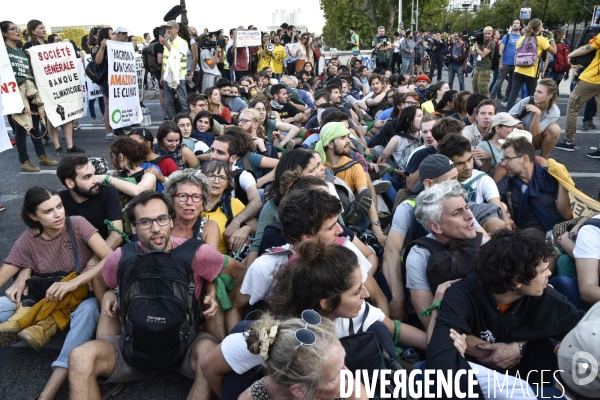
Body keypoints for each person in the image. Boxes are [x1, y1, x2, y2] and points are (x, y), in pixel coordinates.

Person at [68, 191, 224, 400]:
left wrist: (212, 291)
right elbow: (100, 281)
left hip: (186, 346)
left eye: (161, 219)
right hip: (133, 348)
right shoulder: (122, 257)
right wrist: (106, 296)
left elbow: (234, 273)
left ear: (171, 220)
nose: (156, 228)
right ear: (133, 227)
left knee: (212, 356)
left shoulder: (198, 252)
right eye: (145, 222)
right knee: (79, 357)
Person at [426, 229, 585, 395]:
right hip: (479, 387)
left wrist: (520, 346)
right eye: (543, 270)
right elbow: (440, 357)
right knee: (422, 373)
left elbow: (587, 334)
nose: (550, 274)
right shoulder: (462, 296)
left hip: (535, 386)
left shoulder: (546, 297)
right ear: (517, 280)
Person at [0, 187, 112, 400]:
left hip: (79, 298)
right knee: (3, 305)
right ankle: (30, 324)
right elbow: (4, 274)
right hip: (43, 299)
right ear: (34, 216)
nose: (58, 214)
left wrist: (75, 282)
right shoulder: (28, 239)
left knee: (89, 311)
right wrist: (23, 272)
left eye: (59, 207)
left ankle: (48, 392)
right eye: (48, 211)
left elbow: (110, 257)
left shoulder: (77, 224)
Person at [238, 312, 369, 400]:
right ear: (300, 390)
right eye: (335, 377)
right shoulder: (252, 397)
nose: (349, 375)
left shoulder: (350, 391)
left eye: (342, 365)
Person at [2, 21, 58, 172]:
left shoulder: (21, 51)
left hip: (29, 90)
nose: (17, 30)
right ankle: (25, 161)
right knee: (21, 127)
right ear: (4, 33)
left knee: (35, 125)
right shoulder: (3, 52)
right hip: (16, 92)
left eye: (17, 28)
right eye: (13, 29)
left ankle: (42, 156)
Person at [496, 135, 573, 233]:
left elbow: (567, 214)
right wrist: (505, 213)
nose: (503, 164)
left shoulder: (552, 177)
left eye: (507, 158)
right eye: (503, 159)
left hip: (561, 229)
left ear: (524, 159)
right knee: (531, 234)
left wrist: (563, 182)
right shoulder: (507, 183)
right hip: (529, 233)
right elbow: (491, 200)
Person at [437, 134, 512, 233]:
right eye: (460, 163)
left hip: (482, 223)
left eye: (469, 159)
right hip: (452, 228)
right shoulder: (440, 183)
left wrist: (508, 232)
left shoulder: (483, 179)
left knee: (498, 225)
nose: (468, 167)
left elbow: (499, 209)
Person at [200, 160, 256, 257]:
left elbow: (258, 229)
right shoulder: (192, 201)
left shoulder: (233, 204)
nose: (216, 181)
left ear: (227, 183)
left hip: (223, 262)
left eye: (222, 178)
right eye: (211, 176)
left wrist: (247, 229)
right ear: (202, 179)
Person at [558, 32, 600, 155]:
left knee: (573, 107)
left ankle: (569, 142)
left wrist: (571, 54)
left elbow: (586, 49)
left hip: (592, 78)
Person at [505, 19, 556, 111]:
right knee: (532, 97)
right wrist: (551, 39)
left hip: (518, 69)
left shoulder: (522, 38)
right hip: (531, 72)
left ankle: (507, 114)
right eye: (541, 26)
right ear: (539, 28)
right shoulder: (541, 40)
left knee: (513, 94)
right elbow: (554, 51)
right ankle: (527, 114)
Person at [508, 79, 561, 158]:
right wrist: (517, 122)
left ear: (550, 95)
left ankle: (542, 161)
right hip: (516, 136)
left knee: (555, 129)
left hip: (533, 139)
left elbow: (534, 134)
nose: (535, 94)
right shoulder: (528, 100)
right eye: (536, 91)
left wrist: (538, 114)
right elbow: (506, 117)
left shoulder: (554, 111)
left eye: (539, 92)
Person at [92, 27, 119, 139]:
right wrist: (102, 48)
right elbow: (98, 61)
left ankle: (117, 128)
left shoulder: (115, 46)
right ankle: (108, 131)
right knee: (108, 106)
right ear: (106, 37)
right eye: (112, 34)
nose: (115, 35)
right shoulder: (100, 48)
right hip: (107, 81)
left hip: (117, 80)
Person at [160, 20, 188, 118]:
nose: (168, 30)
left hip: (179, 76)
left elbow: (177, 55)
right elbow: (165, 60)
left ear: (177, 29)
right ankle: (172, 122)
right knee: (169, 102)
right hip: (168, 76)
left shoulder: (182, 42)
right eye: (166, 28)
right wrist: (162, 76)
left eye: (170, 28)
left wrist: (166, 44)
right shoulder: (166, 42)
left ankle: (186, 121)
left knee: (183, 101)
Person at [477, 112, 520, 177]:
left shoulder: (513, 145)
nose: (513, 129)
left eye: (513, 126)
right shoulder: (482, 147)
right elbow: (480, 173)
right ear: (497, 128)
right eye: (509, 126)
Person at [492, 19, 524, 101]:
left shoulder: (522, 37)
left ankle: (506, 99)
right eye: (514, 23)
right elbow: (501, 50)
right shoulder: (507, 36)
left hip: (516, 64)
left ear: (520, 26)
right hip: (506, 63)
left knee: (511, 84)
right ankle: (491, 98)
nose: (515, 24)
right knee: (498, 82)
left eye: (517, 23)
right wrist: (500, 63)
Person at [470, 26, 496, 95]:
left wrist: (476, 47)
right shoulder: (481, 42)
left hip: (484, 69)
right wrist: (469, 49)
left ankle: (487, 104)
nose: (487, 35)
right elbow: (475, 53)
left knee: (483, 90)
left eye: (489, 33)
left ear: (492, 34)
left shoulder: (491, 43)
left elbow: (482, 55)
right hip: (477, 68)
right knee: (475, 88)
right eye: (485, 33)